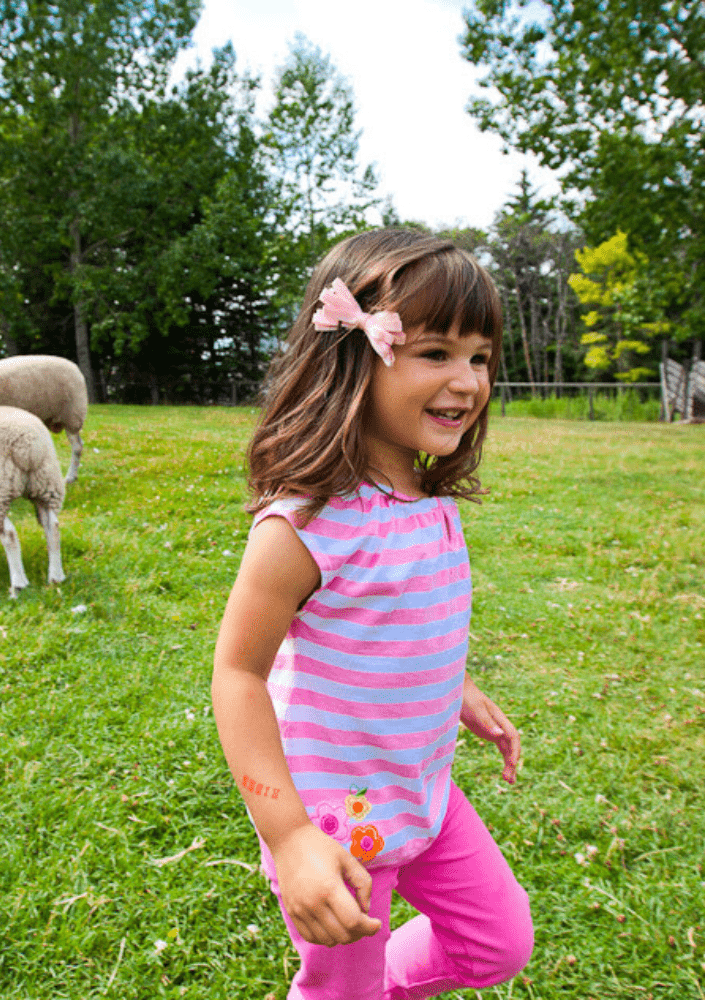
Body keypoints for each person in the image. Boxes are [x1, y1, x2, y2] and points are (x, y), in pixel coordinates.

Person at [212, 229, 533, 1000]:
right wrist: (287, 837)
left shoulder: (433, 508)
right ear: (358, 354)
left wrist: (456, 691)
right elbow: (238, 674)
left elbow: (402, 630)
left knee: (498, 942)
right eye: (436, 353)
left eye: (480, 356)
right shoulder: (303, 526)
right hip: (334, 822)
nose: (467, 381)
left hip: (425, 794)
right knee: (339, 987)